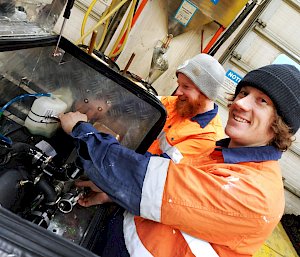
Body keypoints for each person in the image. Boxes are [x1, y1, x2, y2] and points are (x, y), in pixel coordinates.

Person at [59, 63, 300, 257]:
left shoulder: (255, 193)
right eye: (244, 93)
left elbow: (148, 185)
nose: (239, 103)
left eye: (262, 101)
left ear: (281, 125)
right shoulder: (218, 155)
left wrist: (83, 132)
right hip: (114, 234)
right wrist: (113, 188)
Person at [147, 53, 226, 163]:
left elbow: (161, 166)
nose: (178, 92)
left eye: (186, 87)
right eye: (179, 84)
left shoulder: (208, 137)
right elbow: (142, 105)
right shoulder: (177, 103)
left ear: (206, 93)